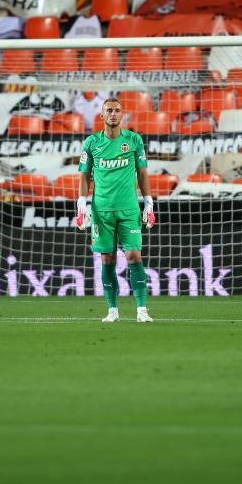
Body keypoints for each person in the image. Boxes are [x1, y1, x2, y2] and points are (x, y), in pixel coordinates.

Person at [75, 96, 155, 323]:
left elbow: (142, 173)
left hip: (129, 209)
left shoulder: (133, 140)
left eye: (117, 110)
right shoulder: (91, 143)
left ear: (122, 115)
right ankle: (112, 310)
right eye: (109, 110)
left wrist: (148, 202)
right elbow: (84, 176)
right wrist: (82, 204)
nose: (113, 113)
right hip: (102, 211)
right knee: (107, 258)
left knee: (133, 255)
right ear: (102, 116)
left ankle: (141, 310)